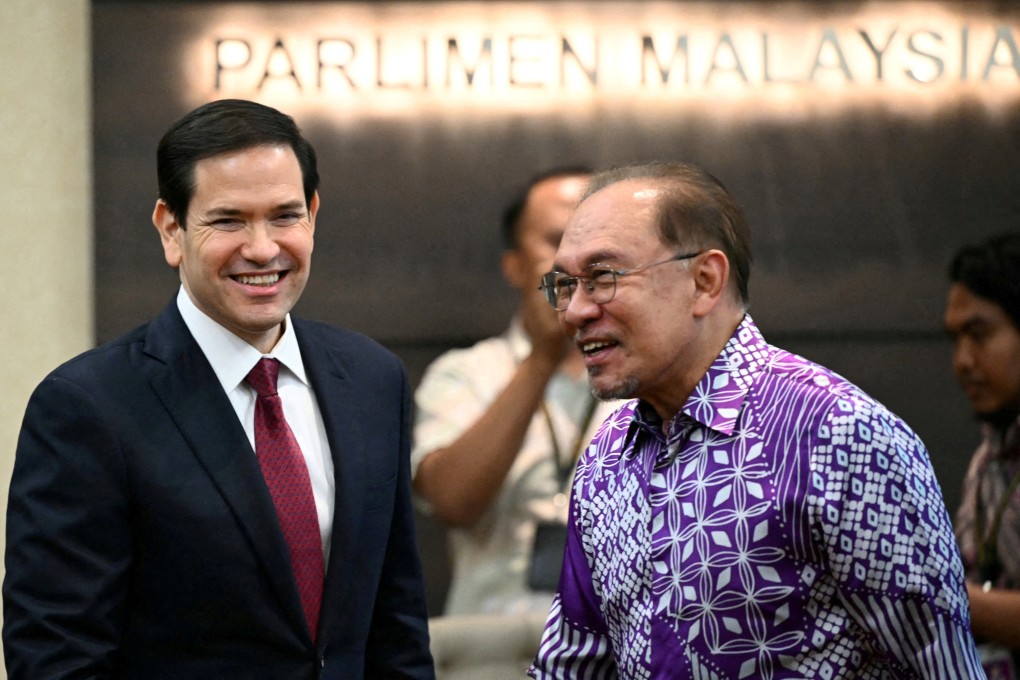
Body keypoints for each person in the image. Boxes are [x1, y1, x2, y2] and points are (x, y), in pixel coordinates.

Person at [3, 99, 434, 679]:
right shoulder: (88, 407)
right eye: (229, 220)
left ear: (313, 214)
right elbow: (57, 656)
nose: (262, 249)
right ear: (171, 229)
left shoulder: (372, 379)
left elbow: (396, 625)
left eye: (285, 215)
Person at [528, 161, 985, 678]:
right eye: (565, 285)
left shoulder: (841, 436)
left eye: (603, 277)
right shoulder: (606, 456)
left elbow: (939, 665)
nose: (574, 311)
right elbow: (570, 667)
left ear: (704, 281)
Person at [412, 166, 620, 615]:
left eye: (597, 241)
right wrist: (542, 359)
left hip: (621, 642)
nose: (578, 260)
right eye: (557, 240)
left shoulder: (648, 374)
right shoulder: (466, 372)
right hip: (493, 647)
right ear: (515, 265)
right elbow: (452, 502)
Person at [945, 232, 1020, 675]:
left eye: (979, 335)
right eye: (956, 340)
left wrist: (935, 593)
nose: (963, 361)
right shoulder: (991, 454)